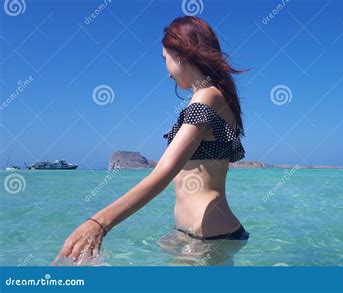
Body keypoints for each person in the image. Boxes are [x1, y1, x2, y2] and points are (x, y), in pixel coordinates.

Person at [52, 16, 250, 266]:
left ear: (181, 54)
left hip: (210, 238)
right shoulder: (213, 96)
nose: (166, 71)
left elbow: (164, 172)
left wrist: (100, 223)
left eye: (165, 59)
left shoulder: (207, 98)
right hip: (197, 235)